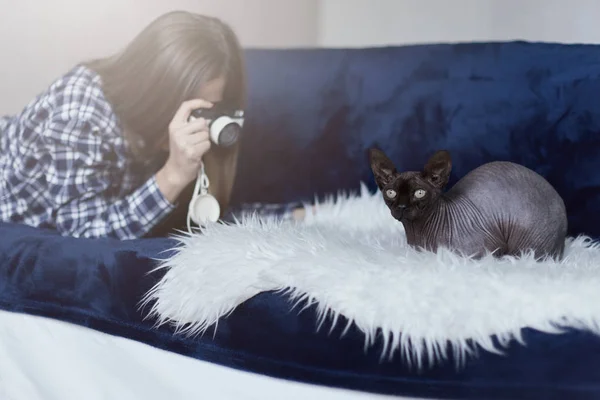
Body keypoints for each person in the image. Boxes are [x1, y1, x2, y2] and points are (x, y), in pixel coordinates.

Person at [0, 11, 295, 240]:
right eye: (185, 103)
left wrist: (294, 215)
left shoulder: (190, 124)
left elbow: (197, 215)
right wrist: (172, 176)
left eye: (207, 107)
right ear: (152, 90)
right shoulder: (80, 112)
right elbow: (80, 236)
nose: (193, 120)